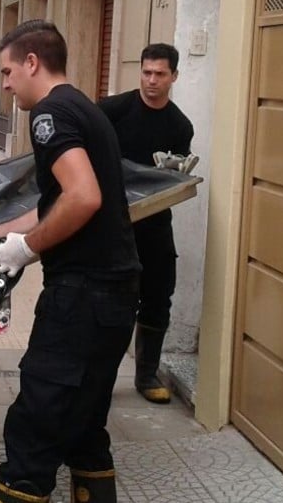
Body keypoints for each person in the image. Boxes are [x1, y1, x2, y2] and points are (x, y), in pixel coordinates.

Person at [0, 20, 141, 503]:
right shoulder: (84, 108)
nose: (6, 84)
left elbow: (84, 197)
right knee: (85, 426)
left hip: (83, 296)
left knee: (38, 422)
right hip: (114, 291)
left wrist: (29, 248)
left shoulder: (50, 114)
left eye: (8, 72)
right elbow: (59, 202)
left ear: (32, 63)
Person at [97, 43, 194, 405]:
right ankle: (101, 375)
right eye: (147, 72)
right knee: (113, 297)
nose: (152, 80)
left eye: (160, 74)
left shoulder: (179, 125)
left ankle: (147, 372)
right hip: (112, 223)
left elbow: (176, 178)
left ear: (174, 77)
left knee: (159, 292)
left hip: (155, 223)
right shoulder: (112, 111)